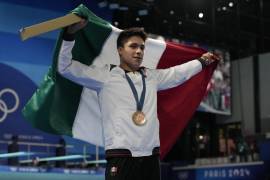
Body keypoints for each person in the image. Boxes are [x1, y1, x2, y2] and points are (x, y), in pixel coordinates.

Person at [58, 19, 220, 180]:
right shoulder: (105, 76)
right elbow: (64, 67)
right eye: (133, 46)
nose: (139, 51)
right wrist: (69, 35)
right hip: (121, 157)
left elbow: (178, 73)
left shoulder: (151, 77)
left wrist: (202, 61)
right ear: (120, 50)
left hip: (151, 158)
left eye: (142, 47)